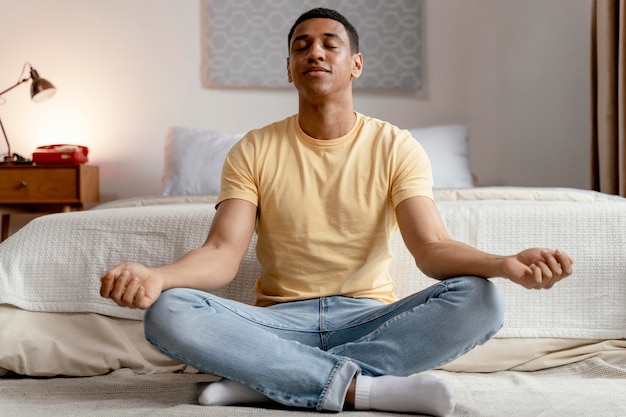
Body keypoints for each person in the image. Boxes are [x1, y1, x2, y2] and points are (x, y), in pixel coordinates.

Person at [100, 7, 573, 416]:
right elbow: (223, 253)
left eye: (331, 44)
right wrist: (159, 277)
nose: (316, 53)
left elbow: (430, 249)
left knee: (482, 299)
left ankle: (269, 383)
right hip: (278, 324)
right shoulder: (253, 149)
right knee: (168, 311)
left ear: (356, 64)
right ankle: (361, 389)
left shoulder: (396, 146)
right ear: (289, 68)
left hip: (368, 319)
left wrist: (502, 265)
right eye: (302, 46)